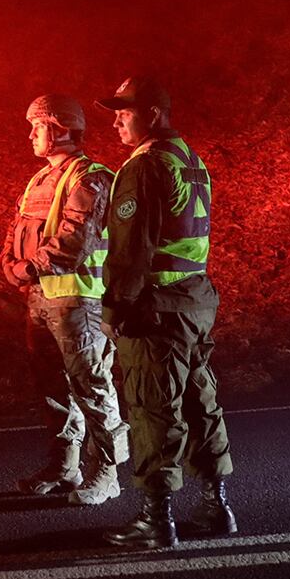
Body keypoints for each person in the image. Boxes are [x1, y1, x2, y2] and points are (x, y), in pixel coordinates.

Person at [95, 76, 238, 549]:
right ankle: (216, 506)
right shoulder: (191, 161)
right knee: (201, 402)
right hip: (195, 299)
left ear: (153, 113)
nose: (116, 120)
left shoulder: (145, 166)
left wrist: (115, 307)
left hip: (157, 307)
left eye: (125, 112)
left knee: (152, 406)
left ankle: (156, 519)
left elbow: (132, 248)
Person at [0, 94, 128, 505]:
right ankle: (65, 466)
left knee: (92, 386)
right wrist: (7, 262)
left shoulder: (91, 178)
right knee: (53, 388)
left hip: (79, 303)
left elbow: (76, 237)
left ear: (60, 129)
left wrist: (28, 269)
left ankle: (106, 473)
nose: (32, 135)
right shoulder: (38, 179)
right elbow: (17, 226)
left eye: (38, 127)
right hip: (40, 300)